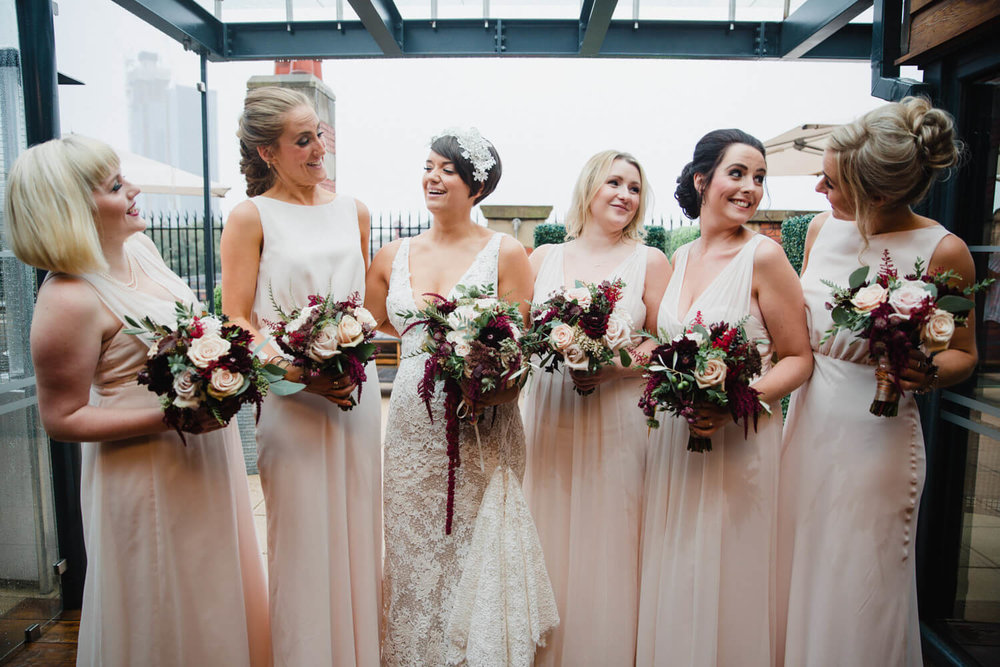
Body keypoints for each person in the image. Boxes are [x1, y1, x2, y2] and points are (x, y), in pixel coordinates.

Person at [4, 135, 270, 666]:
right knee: (159, 597)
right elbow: (60, 418)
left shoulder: (141, 250)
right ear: (73, 209)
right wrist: (172, 417)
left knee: (209, 587)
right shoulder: (68, 298)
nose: (134, 190)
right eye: (116, 186)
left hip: (200, 457)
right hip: (142, 466)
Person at [776, 97, 978, 666]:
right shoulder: (820, 231)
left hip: (876, 437)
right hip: (809, 424)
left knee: (862, 573)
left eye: (832, 181)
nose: (819, 189)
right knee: (801, 561)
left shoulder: (943, 250)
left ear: (880, 193)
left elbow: (965, 352)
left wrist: (928, 370)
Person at [365, 128, 551, 665]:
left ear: (477, 186)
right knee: (413, 552)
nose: (433, 177)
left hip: (480, 429)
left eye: (448, 169)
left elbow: (519, 350)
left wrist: (493, 386)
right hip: (409, 428)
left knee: (475, 551)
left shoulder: (506, 252)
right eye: (429, 166)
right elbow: (368, 325)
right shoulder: (391, 255)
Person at [636, 129, 813, 667]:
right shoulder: (681, 254)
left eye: (759, 178)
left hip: (741, 438)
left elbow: (799, 358)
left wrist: (736, 400)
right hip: (674, 440)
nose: (751, 188)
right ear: (702, 179)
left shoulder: (765, 257)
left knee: (731, 565)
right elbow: (669, 339)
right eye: (738, 173)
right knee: (680, 561)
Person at [220, 86, 381, 666]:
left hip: (354, 399)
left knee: (358, 528)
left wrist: (347, 351)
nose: (319, 150)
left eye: (320, 134)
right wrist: (295, 373)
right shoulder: (249, 217)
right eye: (303, 140)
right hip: (292, 399)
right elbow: (237, 317)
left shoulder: (353, 210)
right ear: (268, 153)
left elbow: (361, 303)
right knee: (303, 540)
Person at [520, 150, 671, 665]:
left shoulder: (650, 262)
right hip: (547, 414)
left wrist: (615, 363)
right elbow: (517, 337)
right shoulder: (541, 259)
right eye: (615, 182)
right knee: (544, 528)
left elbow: (668, 346)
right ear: (589, 188)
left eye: (634, 187)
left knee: (610, 536)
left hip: (617, 418)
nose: (625, 195)